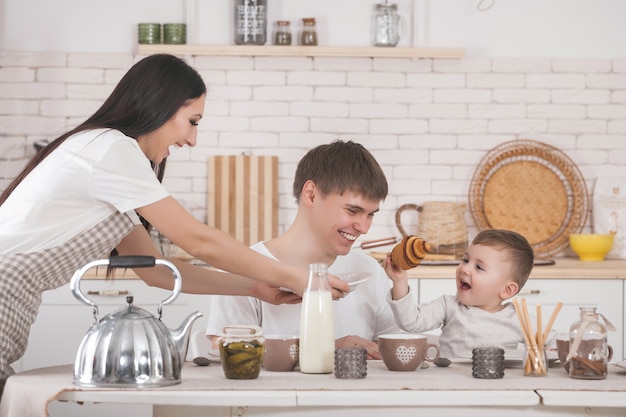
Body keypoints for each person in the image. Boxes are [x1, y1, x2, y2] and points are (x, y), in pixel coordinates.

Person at [0, 54, 348, 394]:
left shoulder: (110, 162)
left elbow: (157, 272)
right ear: (160, 105)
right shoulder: (111, 151)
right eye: (193, 121)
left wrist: (254, 288)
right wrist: (298, 277)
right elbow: (199, 241)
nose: (193, 140)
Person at [206, 140, 402, 359]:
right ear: (311, 194)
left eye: (370, 214)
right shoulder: (244, 272)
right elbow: (226, 354)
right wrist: (326, 350)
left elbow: (391, 350)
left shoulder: (368, 270)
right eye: (352, 210)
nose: (364, 228)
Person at [383, 229, 535, 358]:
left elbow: (553, 339)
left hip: (495, 386)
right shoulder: (449, 306)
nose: (465, 269)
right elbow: (411, 322)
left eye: (479, 267)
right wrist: (400, 281)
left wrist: (550, 350)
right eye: (466, 259)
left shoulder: (520, 319)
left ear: (507, 290)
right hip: (451, 383)